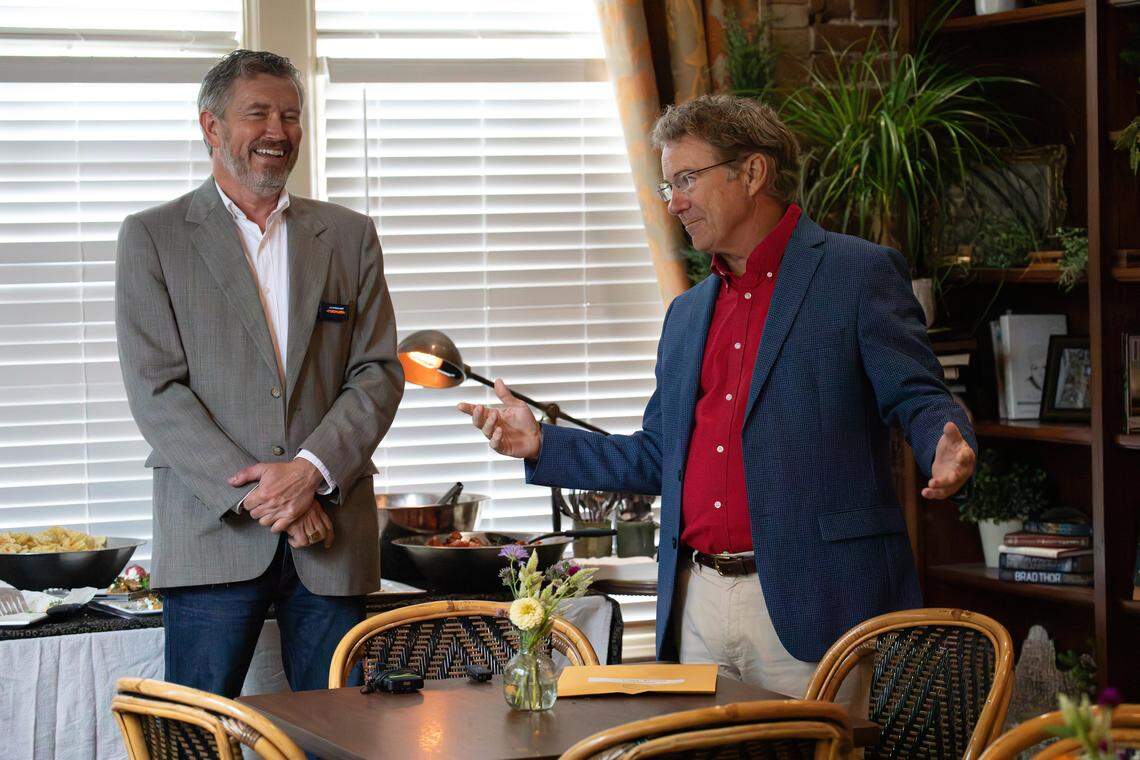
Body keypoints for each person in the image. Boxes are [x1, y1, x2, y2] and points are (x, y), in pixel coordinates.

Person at [459, 94, 976, 702]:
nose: (674, 202)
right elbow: (660, 456)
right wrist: (542, 442)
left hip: (819, 605)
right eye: (667, 184)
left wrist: (946, 439)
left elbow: (915, 392)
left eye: (687, 179)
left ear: (751, 173)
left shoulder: (856, 275)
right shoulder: (686, 315)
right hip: (697, 605)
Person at [115, 50, 404, 697]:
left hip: (332, 537)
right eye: (258, 113)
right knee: (196, 733)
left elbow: (378, 372)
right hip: (210, 532)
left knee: (342, 735)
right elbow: (157, 391)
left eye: (291, 115)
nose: (278, 130)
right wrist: (269, 498)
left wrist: (308, 472)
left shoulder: (349, 235)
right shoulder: (153, 237)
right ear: (212, 127)